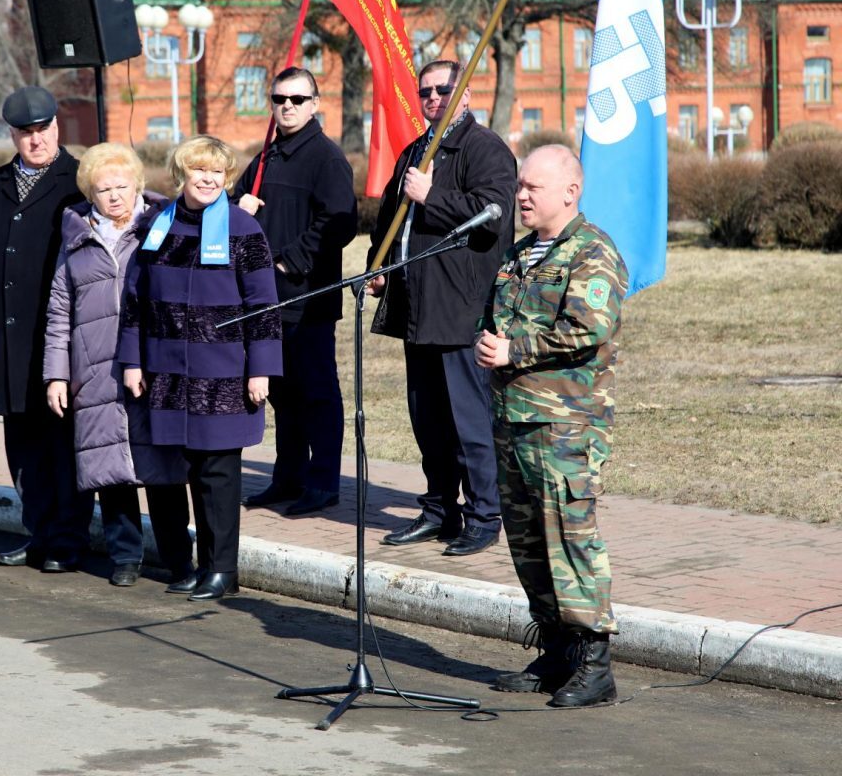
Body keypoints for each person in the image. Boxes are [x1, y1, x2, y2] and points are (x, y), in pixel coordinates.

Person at [475, 144, 627, 707]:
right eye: (520, 186)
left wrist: (512, 349)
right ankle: (558, 651)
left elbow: (587, 328)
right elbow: (497, 319)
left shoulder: (592, 252)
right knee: (529, 542)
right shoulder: (519, 255)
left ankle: (595, 664)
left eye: (532, 188)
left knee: (569, 538)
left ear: (570, 191)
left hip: (565, 427)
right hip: (514, 420)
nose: (521, 196)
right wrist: (488, 342)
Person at [119, 135, 282, 601]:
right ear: (181, 174)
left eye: (217, 172)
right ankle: (193, 565)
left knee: (217, 475)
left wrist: (261, 369)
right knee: (179, 473)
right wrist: (132, 361)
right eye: (199, 170)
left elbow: (263, 305)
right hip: (167, 374)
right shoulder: (158, 226)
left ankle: (222, 568)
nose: (209, 179)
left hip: (223, 375)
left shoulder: (242, 228)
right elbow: (135, 302)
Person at [367, 59, 516, 557]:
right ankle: (438, 510)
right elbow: (390, 219)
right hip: (417, 306)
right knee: (428, 420)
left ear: (465, 93)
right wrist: (378, 265)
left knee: (468, 422)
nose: (433, 98)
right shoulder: (415, 150)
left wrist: (432, 194)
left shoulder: (485, 148)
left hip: (461, 307)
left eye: (443, 90)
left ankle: (484, 515)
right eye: (425, 91)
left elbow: (492, 217)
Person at [43, 143, 193, 587]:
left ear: (138, 186)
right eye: (103, 189)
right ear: (90, 193)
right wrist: (57, 374)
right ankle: (125, 557)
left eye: (121, 186)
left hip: (152, 366)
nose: (113, 196)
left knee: (164, 469)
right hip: (94, 370)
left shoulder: (159, 228)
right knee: (110, 469)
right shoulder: (76, 238)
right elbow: (59, 311)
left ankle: (178, 559)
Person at [0, 85, 94, 571]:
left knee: (63, 443)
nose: (36, 140)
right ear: (12, 135)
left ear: (56, 126)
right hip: (6, 338)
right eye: (25, 133)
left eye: (43, 129)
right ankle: (39, 532)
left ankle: (68, 540)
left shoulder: (79, 181)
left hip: (59, 338)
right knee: (22, 443)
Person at [233, 66, 358, 516]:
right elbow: (235, 209)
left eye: (297, 99)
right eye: (279, 99)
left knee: (316, 392)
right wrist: (237, 207)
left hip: (307, 299)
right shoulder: (266, 157)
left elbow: (341, 222)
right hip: (264, 298)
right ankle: (289, 477)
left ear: (315, 104)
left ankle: (323, 483)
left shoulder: (326, 158)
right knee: (282, 394)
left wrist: (293, 258)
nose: (287, 106)